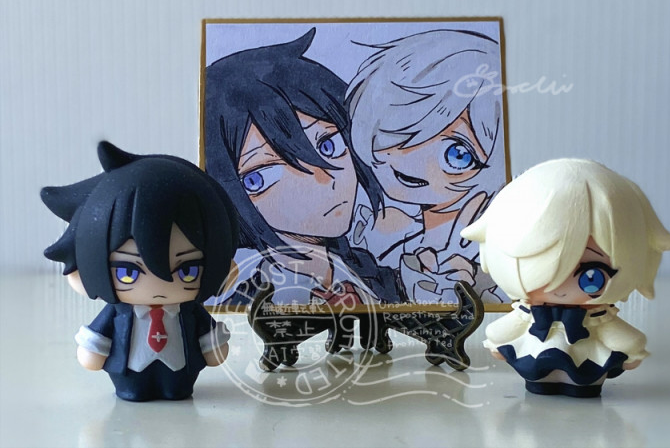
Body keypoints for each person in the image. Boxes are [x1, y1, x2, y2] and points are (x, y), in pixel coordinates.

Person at [204, 28, 406, 307]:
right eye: (263, 175)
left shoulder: (375, 274)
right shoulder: (242, 305)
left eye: (328, 145)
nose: (323, 180)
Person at [461, 158, 670, 397]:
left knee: (585, 384)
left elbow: (621, 336)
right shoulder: (528, 312)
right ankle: (539, 383)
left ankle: (583, 388)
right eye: (540, 271)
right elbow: (504, 330)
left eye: (591, 277)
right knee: (538, 382)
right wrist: (496, 339)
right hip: (533, 353)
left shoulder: (597, 316)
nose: (560, 288)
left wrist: (632, 347)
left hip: (588, 360)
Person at [41, 141, 239, 401]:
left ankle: (174, 388)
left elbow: (209, 340)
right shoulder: (119, 311)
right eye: (128, 272)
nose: (159, 285)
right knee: (132, 391)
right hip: (128, 372)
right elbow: (97, 340)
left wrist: (213, 345)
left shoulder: (189, 311)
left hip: (181, 371)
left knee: (176, 389)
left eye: (188, 271)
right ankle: (132, 390)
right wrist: (93, 349)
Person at [345, 29, 507, 303]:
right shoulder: (373, 231)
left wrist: (474, 285)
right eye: (398, 132)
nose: (411, 158)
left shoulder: (490, 249)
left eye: (457, 153)